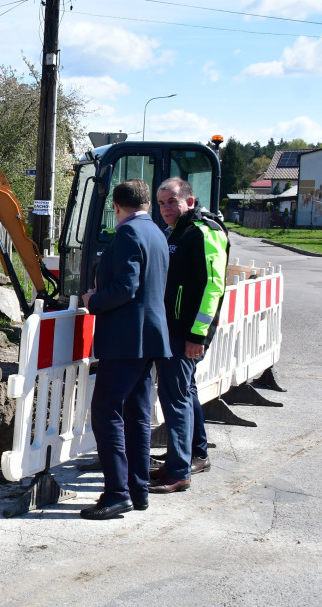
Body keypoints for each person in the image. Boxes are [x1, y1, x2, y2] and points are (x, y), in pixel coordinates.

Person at [80, 179, 170, 520]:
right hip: (148, 339)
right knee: (137, 417)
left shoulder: (128, 234)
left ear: (116, 206)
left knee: (107, 413)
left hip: (125, 339)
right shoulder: (157, 233)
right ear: (147, 203)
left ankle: (117, 493)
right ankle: (137, 489)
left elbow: (126, 287)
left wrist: (93, 300)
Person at [149, 178, 230, 493]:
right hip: (173, 329)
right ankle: (195, 454)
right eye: (161, 203)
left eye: (172, 201)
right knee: (185, 392)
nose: (166, 209)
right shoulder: (175, 231)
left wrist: (199, 335)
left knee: (176, 398)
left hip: (185, 333)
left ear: (190, 202)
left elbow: (214, 287)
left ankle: (178, 471)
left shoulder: (203, 232)